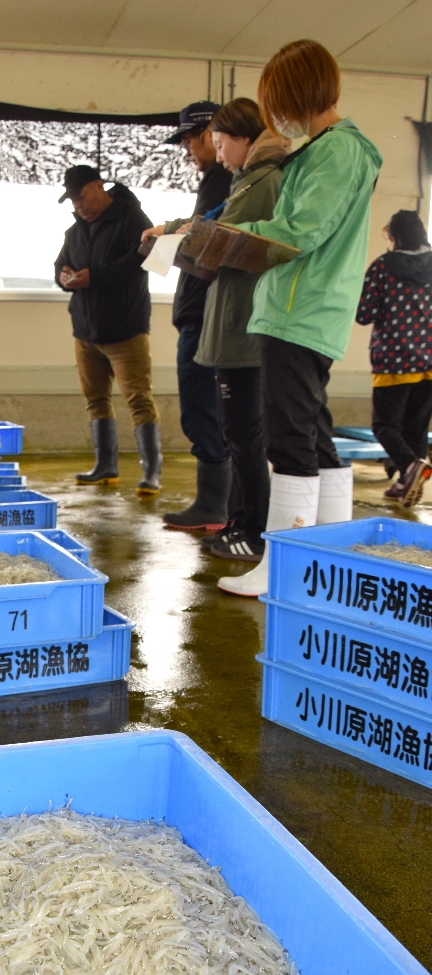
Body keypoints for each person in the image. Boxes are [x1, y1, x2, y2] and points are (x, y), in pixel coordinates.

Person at [214, 40, 382, 597]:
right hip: (309, 309)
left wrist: (225, 239)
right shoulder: (330, 149)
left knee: (288, 438)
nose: (274, 116)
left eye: (275, 101)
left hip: (299, 309)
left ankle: (285, 569)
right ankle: (331, 558)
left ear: (295, 94)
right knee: (315, 434)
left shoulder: (337, 150)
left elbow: (297, 232)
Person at [193, 99, 290, 563]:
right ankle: (239, 522)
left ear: (244, 138)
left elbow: (224, 242)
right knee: (238, 434)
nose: (217, 153)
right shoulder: (245, 181)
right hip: (233, 324)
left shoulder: (263, 181)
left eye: (220, 142)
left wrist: (186, 239)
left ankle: (254, 529)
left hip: (244, 330)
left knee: (245, 436)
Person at [143, 102, 232, 530]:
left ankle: (215, 506)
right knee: (214, 409)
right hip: (205, 313)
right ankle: (219, 504)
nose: (189, 151)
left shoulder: (221, 176)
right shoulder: (224, 180)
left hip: (203, 315)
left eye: (190, 141)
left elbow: (206, 237)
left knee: (202, 407)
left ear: (213, 134)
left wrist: (169, 237)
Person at [54, 164, 161, 496]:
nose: (79, 206)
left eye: (82, 197)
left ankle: (152, 472)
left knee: (138, 398)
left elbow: (141, 262)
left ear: (99, 186)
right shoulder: (74, 231)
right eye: (72, 201)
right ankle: (105, 466)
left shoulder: (133, 219)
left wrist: (94, 277)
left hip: (126, 328)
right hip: (85, 330)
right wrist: (63, 276)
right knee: (95, 399)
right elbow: (60, 263)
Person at [356, 209, 432, 507]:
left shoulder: (383, 266)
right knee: (415, 429)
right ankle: (405, 483)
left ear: (395, 236)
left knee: (384, 426)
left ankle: (411, 468)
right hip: (429, 363)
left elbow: (364, 314)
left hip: (394, 361)